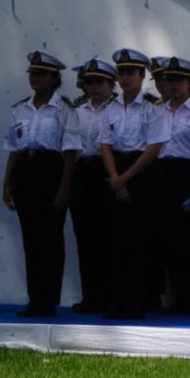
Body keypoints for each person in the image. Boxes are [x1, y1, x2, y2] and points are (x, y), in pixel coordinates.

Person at [3, 51, 78, 317]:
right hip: (25, 171)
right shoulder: (20, 109)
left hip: (51, 171)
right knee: (31, 238)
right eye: (33, 73)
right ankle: (34, 299)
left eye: (41, 74)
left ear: (53, 78)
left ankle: (48, 300)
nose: (35, 78)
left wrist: (64, 187)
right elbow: (13, 148)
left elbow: (70, 151)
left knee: (50, 238)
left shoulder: (64, 109)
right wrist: (7, 183)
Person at [99, 47, 172, 319]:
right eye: (121, 72)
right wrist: (115, 179)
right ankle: (116, 300)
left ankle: (136, 302)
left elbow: (153, 148)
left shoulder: (153, 107)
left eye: (131, 72)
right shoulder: (111, 107)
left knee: (140, 241)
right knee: (115, 240)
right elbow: (105, 145)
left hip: (142, 174)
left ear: (141, 76)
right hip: (116, 171)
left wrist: (124, 179)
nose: (125, 78)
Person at [151, 56, 190, 315]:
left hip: (188, 176)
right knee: (168, 239)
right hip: (163, 175)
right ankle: (177, 297)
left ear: (189, 83)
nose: (173, 85)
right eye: (169, 80)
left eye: (178, 80)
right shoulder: (157, 111)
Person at [68, 57, 116, 314]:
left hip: (107, 170)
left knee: (109, 237)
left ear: (110, 84)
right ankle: (90, 296)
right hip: (83, 171)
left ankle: (110, 296)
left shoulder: (117, 108)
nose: (94, 87)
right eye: (89, 82)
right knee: (85, 238)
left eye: (99, 82)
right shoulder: (77, 110)